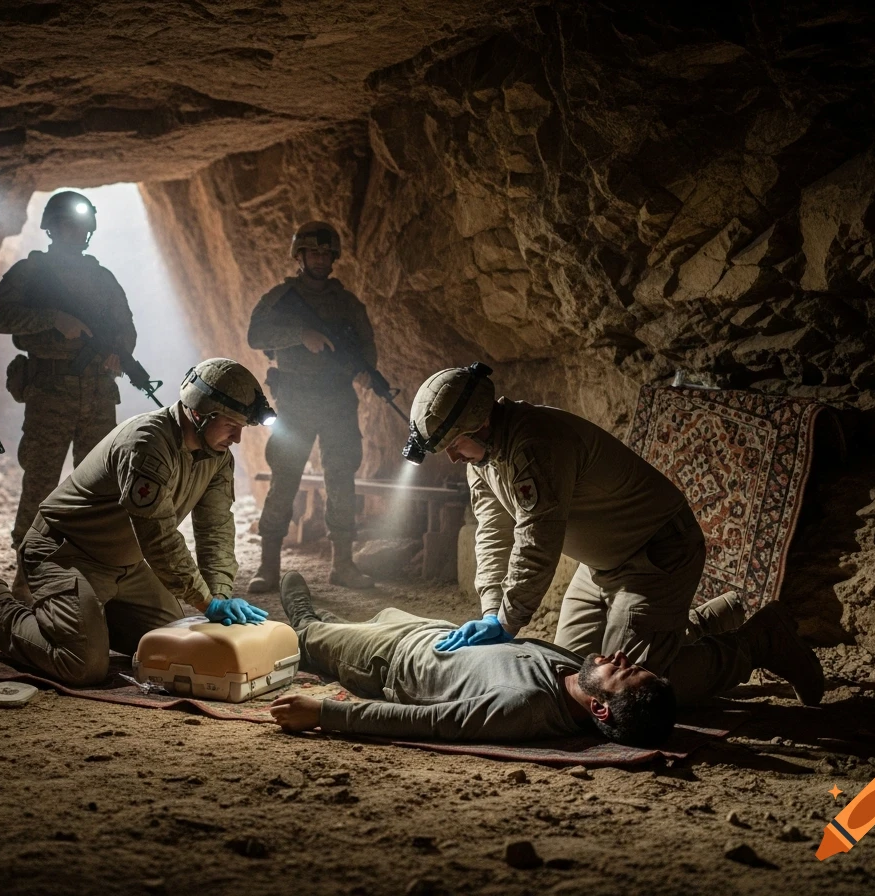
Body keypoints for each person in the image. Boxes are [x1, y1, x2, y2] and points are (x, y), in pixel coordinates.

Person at [401, 364, 825, 707]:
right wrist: (491, 608)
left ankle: (759, 641)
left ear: (479, 425)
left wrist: (507, 621)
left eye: (455, 444)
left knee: (631, 691)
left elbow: (537, 541)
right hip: (602, 566)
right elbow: (493, 532)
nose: (454, 457)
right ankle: (703, 621)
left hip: (656, 556)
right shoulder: (484, 458)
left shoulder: (535, 444)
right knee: (574, 676)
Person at [0, 359, 275, 686]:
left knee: (173, 648)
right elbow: (159, 539)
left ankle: (89, 620)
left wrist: (220, 595)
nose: (236, 438)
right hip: (64, 555)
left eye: (242, 428)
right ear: (199, 412)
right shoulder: (147, 444)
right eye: (231, 424)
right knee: (81, 665)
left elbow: (217, 531)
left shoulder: (217, 457)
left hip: (126, 567)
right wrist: (207, 602)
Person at [268, 572, 677, 746]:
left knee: (308, 637)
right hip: (430, 631)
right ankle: (325, 624)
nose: (621, 656)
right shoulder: (574, 671)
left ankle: (306, 622)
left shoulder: (525, 705)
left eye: (622, 671)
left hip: (391, 659)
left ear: (601, 711)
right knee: (352, 624)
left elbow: (429, 724)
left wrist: (324, 713)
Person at [0, 192, 138, 570]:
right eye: (68, 224)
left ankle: (93, 569)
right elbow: (1, 317)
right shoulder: (31, 272)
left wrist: (117, 353)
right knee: (40, 483)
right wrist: (53, 318)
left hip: (98, 393)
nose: (76, 232)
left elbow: (125, 329)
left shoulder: (102, 278)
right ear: (52, 228)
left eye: (81, 225)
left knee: (99, 488)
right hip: (50, 392)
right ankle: (29, 570)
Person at [246, 221, 376, 592]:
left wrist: (367, 373)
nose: (320, 259)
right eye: (313, 252)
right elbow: (256, 335)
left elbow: (365, 346)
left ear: (334, 257)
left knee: (341, 477)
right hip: (296, 401)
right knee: (285, 477)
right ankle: (269, 566)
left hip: (337, 399)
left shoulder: (346, 303)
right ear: (299, 256)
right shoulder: (280, 298)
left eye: (326, 253)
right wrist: (300, 335)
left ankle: (343, 564)